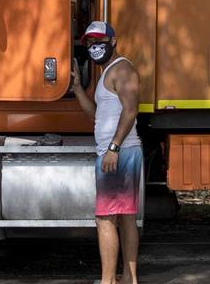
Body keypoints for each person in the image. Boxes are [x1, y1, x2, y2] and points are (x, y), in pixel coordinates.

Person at [71, 21, 142, 284]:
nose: (94, 46)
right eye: (90, 42)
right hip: (119, 152)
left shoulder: (122, 68)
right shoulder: (107, 74)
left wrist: (113, 148)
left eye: (99, 40)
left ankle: (107, 281)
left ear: (113, 41)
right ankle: (128, 279)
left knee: (105, 220)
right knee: (125, 219)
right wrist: (78, 88)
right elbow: (97, 115)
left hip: (118, 154)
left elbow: (131, 109)